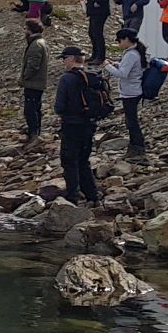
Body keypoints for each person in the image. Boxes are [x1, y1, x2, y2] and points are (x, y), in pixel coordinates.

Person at [53, 46, 101, 205]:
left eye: (64, 58)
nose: (63, 62)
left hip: (72, 124)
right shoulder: (92, 76)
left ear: (71, 59)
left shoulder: (67, 78)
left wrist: (61, 114)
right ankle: (92, 195)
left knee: (69, 160)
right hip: (90, 123)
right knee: (83, 159)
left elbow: (59, 106)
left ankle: (72, 195)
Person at [110, 28, 149, 160]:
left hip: (131, 93)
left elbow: (122, 74)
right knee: (131, 121)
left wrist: (107, 66)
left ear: (126, 39)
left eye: (120, 40)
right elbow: (128, 69)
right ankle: (135, 147)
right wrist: (116, 64)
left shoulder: (131, 54)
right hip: (133, 91)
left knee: (132, 122)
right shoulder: (134, 53)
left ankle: (137, 147)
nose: (119, 43)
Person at [21, 18, 49, 147]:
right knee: (35, 107)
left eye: (26, 28)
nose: (25, 31)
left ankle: (34, 133)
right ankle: (35, 132)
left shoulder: (36, 44)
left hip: (34, 82)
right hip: (37, 82)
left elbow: (33, 64)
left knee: (31, 109)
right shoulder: (39, 42)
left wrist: (25, 77)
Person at [84, 0, 114, 64]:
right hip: (94, 12)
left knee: (97, 33)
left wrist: (98, 1)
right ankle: (95, 55)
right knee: (92, 32)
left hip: (99, 12)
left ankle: (100, 57)